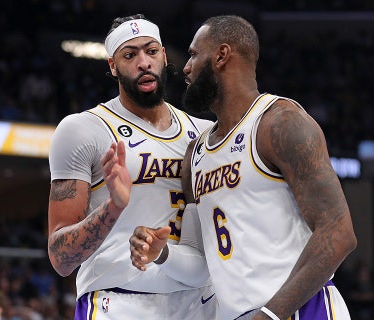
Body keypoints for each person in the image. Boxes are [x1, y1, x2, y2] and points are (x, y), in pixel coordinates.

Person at [130, 15, 357, 320]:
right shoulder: (194, 155)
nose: (185, 67)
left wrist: (270, 314)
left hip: (300, 311)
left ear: (222, 56)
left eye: (195, 55)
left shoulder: (279, 123)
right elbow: (199, 261)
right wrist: (163, 253)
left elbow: (339, 233)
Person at [47, 14, 217, 320]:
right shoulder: (83, 129)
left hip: (198, 302)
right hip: (119, 303)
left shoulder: (205, 133)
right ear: (112, 65)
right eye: (130, 55)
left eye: (151, 51)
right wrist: (114, 207)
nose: (143, 63)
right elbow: (61, 258)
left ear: (164, 56)